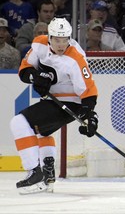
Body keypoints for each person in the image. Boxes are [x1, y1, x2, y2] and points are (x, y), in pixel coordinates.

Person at [9, 17, 99, 194]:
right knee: (42, 131)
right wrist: (36, 76)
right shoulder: (38, 45)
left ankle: (34, 172)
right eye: (57, 40)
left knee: (18, 123)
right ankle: (47, 173)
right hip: (51, 100)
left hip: (70, 103)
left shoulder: (76, 58)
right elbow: (24, 70)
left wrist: (89, 115)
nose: (61, 44)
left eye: (65, 40)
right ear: (49, 37)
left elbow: (89, 91)